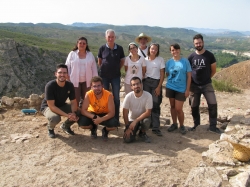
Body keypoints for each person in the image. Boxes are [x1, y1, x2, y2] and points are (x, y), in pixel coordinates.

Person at [188, 34, 221, 134]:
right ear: (194, 44)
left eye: (200, 42)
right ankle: (196, 125)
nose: (198, 44)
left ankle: (213, 126)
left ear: (203, 42)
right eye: (196, 43)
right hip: (194, 85)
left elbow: (213, 70)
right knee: (194, 106)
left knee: (213, 104)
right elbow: (188, 72)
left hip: (207, 84)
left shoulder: (209, 55)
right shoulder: (191, 57)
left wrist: (207, 78)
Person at [40, 64, 79, 138]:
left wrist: (73, 113)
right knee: (55, 118)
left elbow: (73, 102)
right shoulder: (50, 86)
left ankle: (65, 126)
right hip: (47, 107)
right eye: (60, 73)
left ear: (67, 74)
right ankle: (50, 128)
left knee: (78, 112)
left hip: (61, 105)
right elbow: (52, 106)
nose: (62, 75)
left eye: (64, 73)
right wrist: (68, 115)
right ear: (56, 74)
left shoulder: (70, 85)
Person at [78, 76, 119, 141]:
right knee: (82, 124)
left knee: (114, 125)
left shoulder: (109, 95)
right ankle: (93, 128)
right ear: (91, 87)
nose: (97, 88)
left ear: (102, 86)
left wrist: (101, 119)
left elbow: (112, 113)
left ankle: (105, 130)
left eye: (99, 85)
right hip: (93, 114)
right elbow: (83, 110)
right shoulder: (88, 94)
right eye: (94, 86)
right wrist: (94, 117)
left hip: (105, 114)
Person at [98, 29, 125, 121]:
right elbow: (100, 61)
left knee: (116, 98)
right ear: (106, 37)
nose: (110, 39)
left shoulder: (120, 48)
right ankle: (105, 118)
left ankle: (116, 118)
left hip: (116, 76)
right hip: (104, 76)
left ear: (115, 37)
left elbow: (122, 61)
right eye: (109, 37)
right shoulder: (102, 48)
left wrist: (117, 68)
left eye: (112, 37)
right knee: (105, 97)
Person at [165, 43, 192, 135]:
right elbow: (167, 74)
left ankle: (182, 125)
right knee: (172, 107)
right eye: (173, 50)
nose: (175, 52)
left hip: (181, 89)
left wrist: (187, 89)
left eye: (176, 50)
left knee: (178, 109)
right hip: (170, 87)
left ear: (179, 50)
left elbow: (189, 76)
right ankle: (174, 123)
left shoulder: (185, 62)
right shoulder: (168, 62)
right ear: (170, 51)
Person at [65, 37, 98, 107]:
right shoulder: (72, 54)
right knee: (75, 99)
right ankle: (76, 115)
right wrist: (67, 77)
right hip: (74, 81)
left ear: (86, 45)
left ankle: (85, 115)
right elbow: (67, 66)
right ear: (77, 44)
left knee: (87, 99)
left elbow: (94, 68)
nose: (82, 45)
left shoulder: (90, 55)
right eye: (80, 43)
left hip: (87, 81)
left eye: (84, 43)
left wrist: (95, 81)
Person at [143, 43, 165, 136]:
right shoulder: (144, 60)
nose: (153, 50)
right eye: (152, 49)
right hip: (146, 82)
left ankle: (156, 127)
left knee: (156, 104)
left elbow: (162, 74)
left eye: (155, 49)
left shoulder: (160, 60)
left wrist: (159, 87)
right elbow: (143, 72)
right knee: (147, 104)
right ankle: (147, 125)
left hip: (156, 83)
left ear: (157, 50)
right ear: (149, 49)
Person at [123, 77, 152, 143]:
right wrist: (127, 127)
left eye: (138, 84)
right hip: (132, 120)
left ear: (141, 84)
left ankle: (142, 133)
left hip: (142, 119)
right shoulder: (128, 96)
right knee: (127, 139)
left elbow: (148, 112)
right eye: (134, 85)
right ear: (131, 87)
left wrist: (136, 121)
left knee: (147, 121)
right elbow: (125, 113)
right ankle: (135, 131)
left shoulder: (148, 96)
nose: (136, 86)